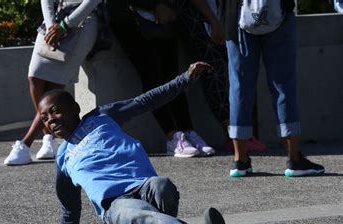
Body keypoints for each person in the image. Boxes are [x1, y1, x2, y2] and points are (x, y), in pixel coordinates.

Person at [39, 62, 238, 224]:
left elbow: (145, 102)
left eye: (55, 111)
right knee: (148, 216)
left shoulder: (102, 117)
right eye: (45, 118)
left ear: (75, 108)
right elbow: (70, 209)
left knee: (163, 185)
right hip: (116, 207)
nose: (51, 120)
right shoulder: (63, 158)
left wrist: (184, 79)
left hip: (144, 187)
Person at [220, 0, 325, 177]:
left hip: (235, 15)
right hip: (278, 13)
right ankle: (293, 158)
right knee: (283, 84)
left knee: (239, 87)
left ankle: (240, 159)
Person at [107, 0, 215, 157]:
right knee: (151, 75)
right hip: (128, 16)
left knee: (173, 74)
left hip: (163, 16)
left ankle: (187, 130)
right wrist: (154, 6)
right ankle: (172, 137)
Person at [4, 0, 102, 165]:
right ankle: (49, 137)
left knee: (54, 88)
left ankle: (25, 144)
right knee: (34, 78)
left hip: (84, 21)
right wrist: (52, 26)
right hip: (54, 20)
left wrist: (65, 25)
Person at [175, 0, 268, 152]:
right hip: (200, 16)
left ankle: (243, 132)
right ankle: (232, 134)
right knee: (213, 71)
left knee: (240, 70)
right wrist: (214, 21)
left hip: (224, 15)